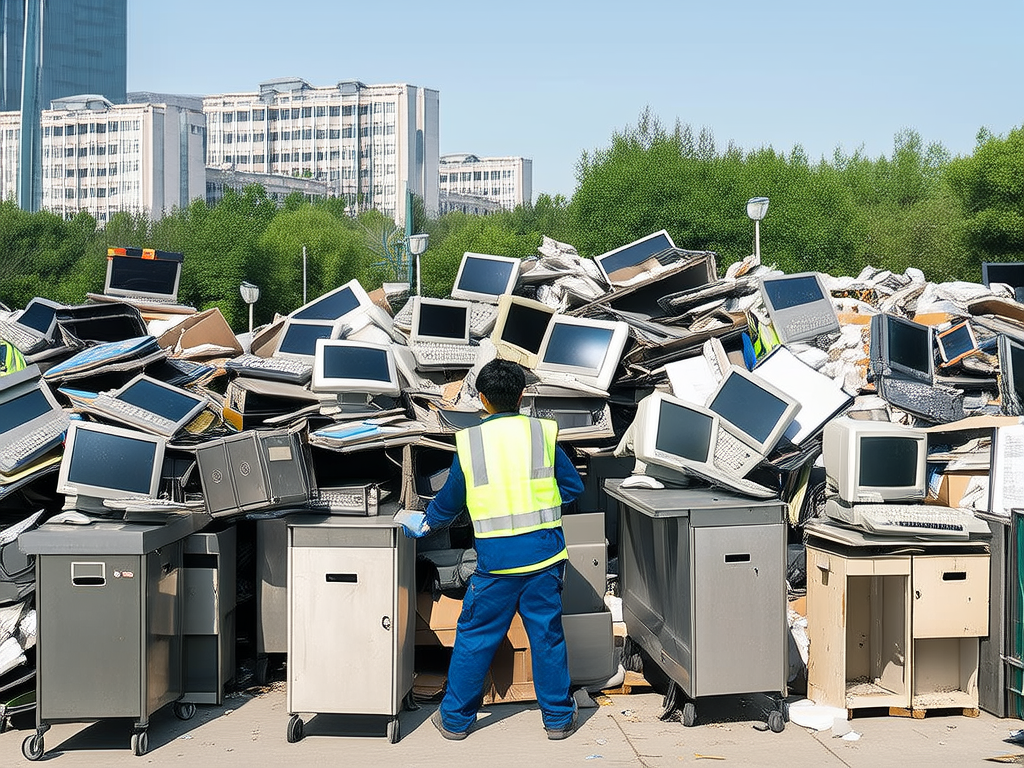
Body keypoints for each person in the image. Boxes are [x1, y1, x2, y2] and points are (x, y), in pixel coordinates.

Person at [401, 358, 584, 741]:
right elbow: (571, 487)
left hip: (495, 565)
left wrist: (427, 522)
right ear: (521, 396)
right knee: (547, 638)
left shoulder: (471, 443)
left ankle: (454, 722)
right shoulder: (542, 433)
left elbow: (450, 503)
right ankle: (557, 720)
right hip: (545, 558)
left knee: (475, 637)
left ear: (482, 398)